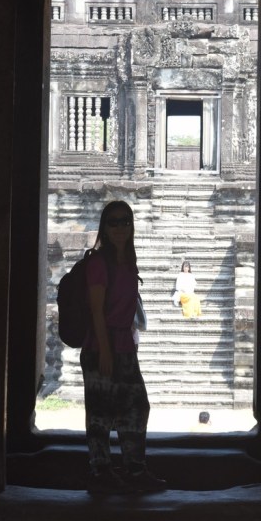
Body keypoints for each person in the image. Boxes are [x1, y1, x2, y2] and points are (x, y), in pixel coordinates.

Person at [81, 200, 166, 495]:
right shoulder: (98, 262)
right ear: (104, 227)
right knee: (100, 412)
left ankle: (134, 469)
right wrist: (105, 351)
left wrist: (127, 346)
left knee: (136, 407)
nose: (120, 227)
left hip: (123, 346)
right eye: (113, 222)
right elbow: (96, 310)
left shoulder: (127, 261)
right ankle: (101, 471)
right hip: (101, 347)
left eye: (125, 221)